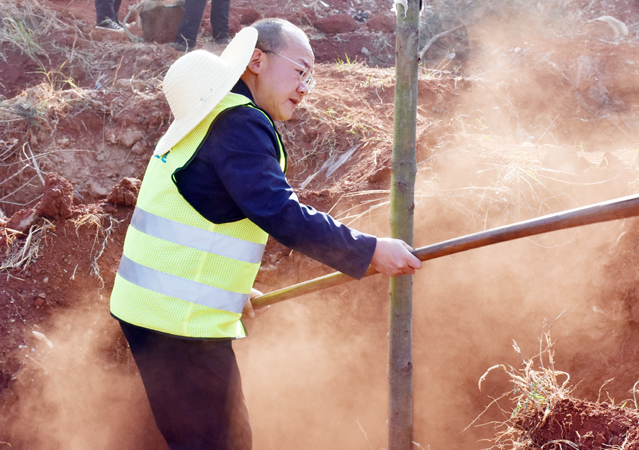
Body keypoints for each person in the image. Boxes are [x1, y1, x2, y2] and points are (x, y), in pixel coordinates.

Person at [110, 18, 421, 450]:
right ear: (257, 60)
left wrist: (226, 289)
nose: (306, 87)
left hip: (154, 311)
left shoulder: (206, 117)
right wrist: (369, 251)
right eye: (300, 70)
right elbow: (279, 211)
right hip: (180, 324)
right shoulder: (238, 122)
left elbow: (203, 211)